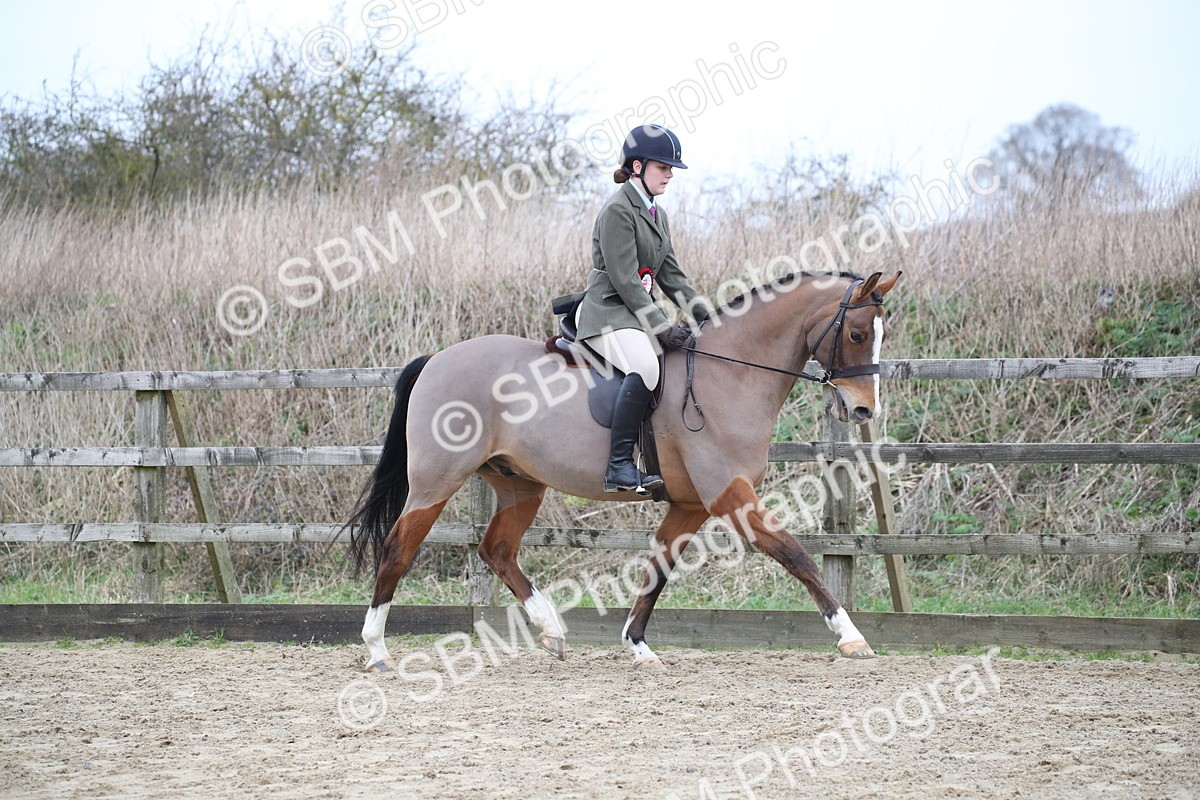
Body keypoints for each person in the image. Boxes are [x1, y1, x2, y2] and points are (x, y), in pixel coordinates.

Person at [574, 124, 713, 492]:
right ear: (637, 167)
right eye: (662, 167)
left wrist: (710, 317)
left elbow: (672, 276)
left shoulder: (657, 215)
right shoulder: (619, 210)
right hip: (607, 312)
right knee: (646, 365)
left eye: (671, 169)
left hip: (632, 315)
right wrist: (661, 326)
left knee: (676, 364)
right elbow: (625, 280)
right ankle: (618, 466)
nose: (669, 175)